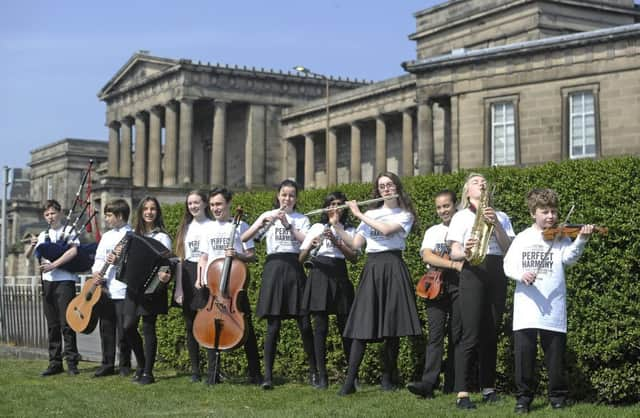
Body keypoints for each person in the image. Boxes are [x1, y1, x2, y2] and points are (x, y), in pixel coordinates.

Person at [503, 188, 593, 413]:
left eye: (554, 211)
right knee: (525, 356)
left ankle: (557, 397)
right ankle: (523, 399)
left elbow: (569, 259)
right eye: (545, 212)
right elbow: (507, 265)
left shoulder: (560, 237)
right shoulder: (523, 237)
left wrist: (581, 239)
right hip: (527, 307)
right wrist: (521, 275)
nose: (551, 216)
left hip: (553, 306)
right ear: (534, 213)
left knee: (555, 356)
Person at [335, 172, 422, 396]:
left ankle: (387, 378)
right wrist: (337, 226)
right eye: (382, 185)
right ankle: (349, 382)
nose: (386, 188)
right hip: (372, 267)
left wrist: (357, 213)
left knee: (392, 326)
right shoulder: (371, 212)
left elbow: (385, 230)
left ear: (396, 187)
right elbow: (356, 244)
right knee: (362, 325)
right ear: (378, 189)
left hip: (393, 265)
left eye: (390, 184)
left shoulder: (405, 214)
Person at [447, 173, 515, 409]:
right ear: (467, 192)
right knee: (471, 333)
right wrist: (464, 251)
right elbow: (453, 251)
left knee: (491, 332)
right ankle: (462, 393)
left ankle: (488, 388)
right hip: (473, 270)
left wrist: (495, 223)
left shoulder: (502, 216)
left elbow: (509, 249)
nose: (481, 183)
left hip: (497, 270)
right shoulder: (460, 217)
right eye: (475, 182)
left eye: (483, 181)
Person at [241, 179, 316, 390]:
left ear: (296, 198)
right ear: (278, 196)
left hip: (294, 266)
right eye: (284, 194)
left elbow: (306, 241)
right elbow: (245, 237)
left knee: (304, 323)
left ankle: (314, 372)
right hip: (273, 267)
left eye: (291, 195)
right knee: (273, 325)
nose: (287, 198)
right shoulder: (268, 214)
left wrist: (288, 225)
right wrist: (264, 221)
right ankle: (267, 376)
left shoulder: (301, 219)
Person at [196, 187, 262, 385]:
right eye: (213, 205)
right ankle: (212, 374)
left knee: (246, 329)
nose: (216, 208)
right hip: (213, 286)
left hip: (234, 286)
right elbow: (204, 257)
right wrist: (199, 277)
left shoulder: (241, 226)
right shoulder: (207, 228)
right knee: (210, 326)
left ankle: (255, 374)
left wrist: (238, 255)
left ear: (228, 204)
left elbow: (252, 255)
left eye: (219, 204)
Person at [407, 190, 464, 398]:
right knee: (435, 335)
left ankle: (454, 383)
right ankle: (428, 383)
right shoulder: (433, 231)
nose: (443, 211)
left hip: (459, 284)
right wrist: (452, 264)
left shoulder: (464, 228)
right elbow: (427, 255)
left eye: (446, 206)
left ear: (455, 205)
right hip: (435, 283)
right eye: (439, 207)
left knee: (457, 334)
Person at [299, 191, 357, 389]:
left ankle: (352, 377)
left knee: (345, 327)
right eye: (332, 204)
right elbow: (301, 259)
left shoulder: (349, 229)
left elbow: (354, 257)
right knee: (320, 328)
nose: (336, 207)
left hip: (339, 274)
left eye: (340, 204)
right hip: (319, 274)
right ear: (326, 207)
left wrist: (336, 240)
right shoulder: (317, 226)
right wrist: (310, 247)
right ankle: (321, 376)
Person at [25, 199, 81, 376]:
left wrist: (54, 265)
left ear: (60, 213)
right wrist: (33, 244)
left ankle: (72, 362)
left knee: (67, 323)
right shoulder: (42, 235)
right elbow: (28, 256)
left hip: (65, 281)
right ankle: (55, 363)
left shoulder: (69, 231)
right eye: (47, 214)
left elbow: (73, 251)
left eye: (53, 213)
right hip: (47, 282)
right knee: (52, 324)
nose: (50, 217)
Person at [121, 196, 172, 385]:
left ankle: (148, 373)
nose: (149, 212)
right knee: (128, 326)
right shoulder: (132, 235)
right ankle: (141, 364)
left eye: (153, 209)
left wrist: (165, 276)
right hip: (133, 288)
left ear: (157, 213)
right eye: (146, 209)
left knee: (149, 329)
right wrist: (115, 260)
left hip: (152, 288)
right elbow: (124, 259)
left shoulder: (162, 237)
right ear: (141, 212)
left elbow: (167, 264)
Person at [90, 199, 135, 377]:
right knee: (106, 328)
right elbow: (99, 258)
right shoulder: (107, 236)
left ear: (120, 215)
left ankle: (124, 365)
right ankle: (107, 363)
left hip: (123, 289)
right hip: (106, 288)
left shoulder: (131, 235)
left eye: (109, 215)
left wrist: (118, 261)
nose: (106, 218)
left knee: (123, 330)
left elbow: (134, 262)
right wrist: (96, 273)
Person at [173, 190, 214, 382]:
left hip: (207, 274)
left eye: (196, 202)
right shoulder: (185, 228)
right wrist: (179, 288)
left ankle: (213, 370)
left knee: (208, 323)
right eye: (190, 203)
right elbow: (180, 259)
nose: (193, 206)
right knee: (190, 325)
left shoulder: (213, 225)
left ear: (205, 203)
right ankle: (196, 371)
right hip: (188, 275)